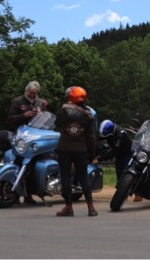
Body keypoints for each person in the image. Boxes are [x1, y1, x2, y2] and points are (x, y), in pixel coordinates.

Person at [55, 86, 98, 217]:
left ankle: (68, 207)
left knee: (66, 177)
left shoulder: (63, 111)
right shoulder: (88, 116)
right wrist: (92, 153)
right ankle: (91, 207)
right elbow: (91, 137)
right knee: (83, 178)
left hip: (64, 149)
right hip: (81, 150)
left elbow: (57, 124)